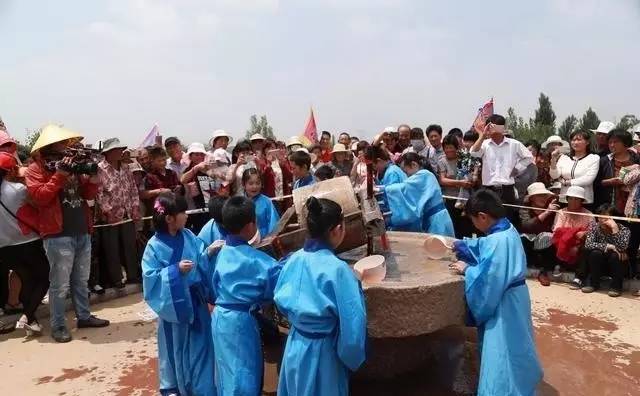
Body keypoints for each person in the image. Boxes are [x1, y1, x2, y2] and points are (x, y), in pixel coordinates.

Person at [450, 189, 542, 395]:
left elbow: (488, 279)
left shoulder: (496, 241)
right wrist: (465, 246)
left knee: (501, 351)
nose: (474, 224)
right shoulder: (507, 229)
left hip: (504, 303)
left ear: (482, 217)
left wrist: (467, 269)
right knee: (518, 345)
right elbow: (488, 248)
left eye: (474, 220)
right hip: (517, 298)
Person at [274, 196, 367, 396]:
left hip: (295, 343)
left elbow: (280, 300)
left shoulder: (294, 259)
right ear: (337, 230)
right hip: (323, 353)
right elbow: (352, 327)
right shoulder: (339, 270)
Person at [25, 124, 109, 343]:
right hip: (57, 234)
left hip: (81, 229)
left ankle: (84, 317)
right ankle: (58, 325)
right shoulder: (35, 169)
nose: (66, 148)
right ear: (50, 146)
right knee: (60, 284)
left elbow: (87, 195)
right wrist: (59, 176)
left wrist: (92, 179)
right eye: (62, 144)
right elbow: (40, 197)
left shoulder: (73, 165)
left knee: (81, 280)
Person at [141, 192, 216, 396]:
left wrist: (208, 252)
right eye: (182, 212)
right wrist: (175, 271)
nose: (187, 215)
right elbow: (150, 278)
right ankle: (175, 388)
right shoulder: (153, 247)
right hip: (174, 308)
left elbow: (199, 258)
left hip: (196, 303)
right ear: (169, 218)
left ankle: (203, 389)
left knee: (202, 348)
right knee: (175, 348)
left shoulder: (189, 236)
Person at [211, 196, 282, 395]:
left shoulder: (223, 252)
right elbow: (275, 288)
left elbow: (214, 283)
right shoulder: (259, 261)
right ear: (251, 225)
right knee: (244, 376)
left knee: (227, 374)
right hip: (241, 322)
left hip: (220, 317)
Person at [0, 152, 49, 336]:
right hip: (27, 242)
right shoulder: (18, 190)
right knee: (45, 278)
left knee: (27, 280)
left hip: (4, 248)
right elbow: (38, 203)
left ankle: (33, 321)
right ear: (10, 170)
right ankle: (27, 316)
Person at [470, 114, 534, 225]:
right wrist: (482, 135)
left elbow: (528, 157)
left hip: (507, 189)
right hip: (488, 188)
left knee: (506, 220)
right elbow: (473, 153)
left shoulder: (514, 144)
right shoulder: (485, 144)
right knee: (488, 221)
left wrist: (517, 169)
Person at [96, 138, 141, 287]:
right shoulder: (99, 169)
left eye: (120, 149)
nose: (119, 152)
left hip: (127, 213)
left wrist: (135, 207)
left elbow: (133, 189)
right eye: (116, 150)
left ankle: (133, 275)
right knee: (112, 248)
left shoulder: (126, 168)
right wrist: (108, 212)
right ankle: (116, 279)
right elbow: (99, 193)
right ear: (107, 153)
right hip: (110, 216)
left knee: (130, 245)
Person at [382, 152, 455, 236]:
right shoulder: (425, 175)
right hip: (433, 219)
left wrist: (383, 189)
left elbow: (404, 187)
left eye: (406, 172)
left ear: (413, 164)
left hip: (437, 221)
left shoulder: (424, 174)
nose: (406, 175)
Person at [578, 204, 630, 297]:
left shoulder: (624, 230)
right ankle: (594, 284)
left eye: (607, 217)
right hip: (599, 263)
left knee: (616, 255)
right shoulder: (594, 228)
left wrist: (615, 229)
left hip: (616, 265)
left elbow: (622, 247)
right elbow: (588, 244)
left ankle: (616, 287)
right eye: (600, 217)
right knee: (595, 253)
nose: (602, 220)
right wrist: (608, 246)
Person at [519, 183, 559, 286]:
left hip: (545, 245)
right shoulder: (524, 209)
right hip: (530, 243)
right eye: (539, 195)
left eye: (544, 195)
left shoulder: (553, 208)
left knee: (550, 237)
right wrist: (546, 212)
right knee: (523, 238)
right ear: (532, 198)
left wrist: (550, 211)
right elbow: (526, 226)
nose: (543, 198)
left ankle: (543, 272)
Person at [552, 186, 594, 285]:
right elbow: (557, 230)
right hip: (563, 243)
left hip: (580, 245)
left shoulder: (589, 215)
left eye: (576, 199)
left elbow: (592, 233)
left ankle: (579, 277)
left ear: (582, 201)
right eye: (571, 198)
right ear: (567, 199)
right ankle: (555, 266)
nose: (573, 201)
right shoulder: (562, 212)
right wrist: (575, 233)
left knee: (586, 248)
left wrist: (578, 240)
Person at [437, 135, 475, 238]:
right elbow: (443, 180)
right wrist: (459, 183)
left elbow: (471, 175)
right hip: (449, 199)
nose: (448, 150)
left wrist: (469, 181)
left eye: (451, 147)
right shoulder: (442, 161)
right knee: (453, 227)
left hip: (465, 199)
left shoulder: (464, 159)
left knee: (465, 227)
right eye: (446, 147)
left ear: (456, 147)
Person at [549, 130, 600, 208]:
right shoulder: (564, 158)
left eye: (579, 140)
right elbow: (554, 176)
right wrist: (553, 159)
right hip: (565, 199)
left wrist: (567, 182)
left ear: (587, 142)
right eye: (573, 140)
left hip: (584, 199)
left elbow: (588, 179)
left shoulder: (593, 158)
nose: (575, 142)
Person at [243, 168, 280, 238]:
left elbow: (274, 225)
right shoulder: (240, 203)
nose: (255, 186)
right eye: (251, 183)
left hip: (264, 239)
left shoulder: (267, 202)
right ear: (244, 184)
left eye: (258, 183)